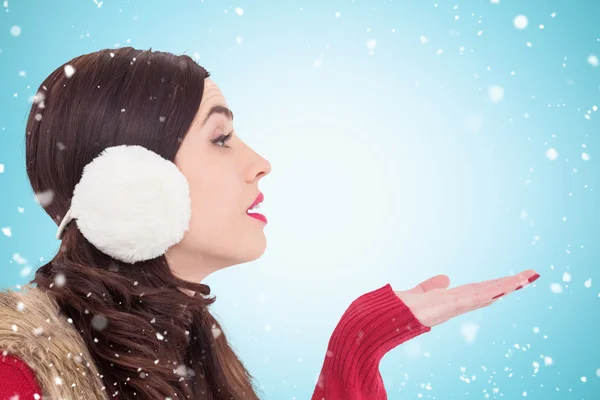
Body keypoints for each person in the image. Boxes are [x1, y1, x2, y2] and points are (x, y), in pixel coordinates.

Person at [0, 47, 540, 400]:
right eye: (220, 139)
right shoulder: (17, 374)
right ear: (127, 181)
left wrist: (357, 343)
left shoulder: (190, 349)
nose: (259, 162)